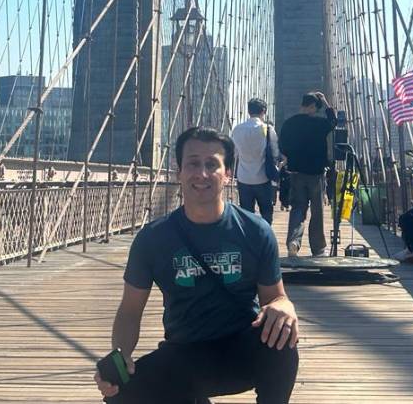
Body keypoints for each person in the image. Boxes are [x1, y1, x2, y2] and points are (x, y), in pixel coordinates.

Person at [94, 126, 299, 404]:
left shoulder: (255, 231)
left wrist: (284, 305)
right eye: (192, 163)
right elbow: (130, 311)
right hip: (184, 353)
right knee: (119, 391)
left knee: (283, 340)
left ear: (228, 174)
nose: (201, 174)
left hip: (242, 349)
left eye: (212, 164)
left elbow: (274, 297)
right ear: (178, 172)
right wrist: (121, 357)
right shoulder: (152, 239)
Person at [279, 91, 336, 257]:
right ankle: (318, 248)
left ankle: (294, 241)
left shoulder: (289, 123)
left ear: (302, 105)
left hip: (296, 173)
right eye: (316, 108)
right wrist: (325, 102)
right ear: (312, 107)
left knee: (298, 208)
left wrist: (291, 158)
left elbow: (282, 146)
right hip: (316, 174)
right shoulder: (319, 123)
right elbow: (333, 122)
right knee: (317, 211)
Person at [231, 99, 280, 225]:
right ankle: (265, 233)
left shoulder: (237, 129)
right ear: (264, 111)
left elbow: (234, 153)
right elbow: (275, 152)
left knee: (246, 214)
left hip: (243, 177)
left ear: (248, 111)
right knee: (266, 212)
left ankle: (249, 235)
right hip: (263, 177)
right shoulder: (267, 129)